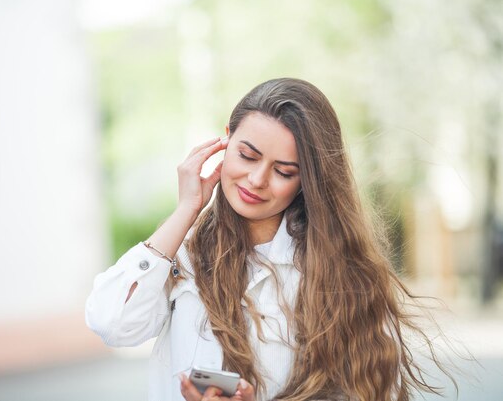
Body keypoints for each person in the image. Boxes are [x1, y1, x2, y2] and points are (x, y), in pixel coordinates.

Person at [85, 78, 452, 401]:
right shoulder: (181, 255)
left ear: (308, 181)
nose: (257, 179)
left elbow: (371, 392)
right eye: (247, 155)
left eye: (283, 171)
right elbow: (111, 322)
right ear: (225, 141)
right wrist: (186, 209)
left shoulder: (344, 275)